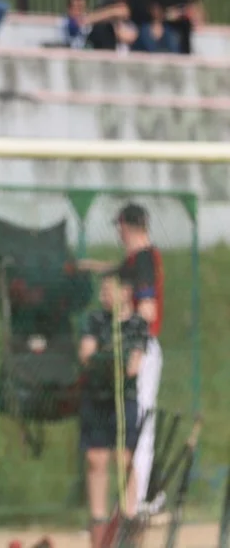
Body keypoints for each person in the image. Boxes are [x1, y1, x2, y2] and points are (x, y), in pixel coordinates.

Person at [79, 203, 164, 515]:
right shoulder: (137, 259)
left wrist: (131, 336)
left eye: (120, 226)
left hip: (140, 349)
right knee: (133, 424)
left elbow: (147, 307)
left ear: (128, 226)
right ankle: (133, 498)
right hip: (134, 346)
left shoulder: (142, 259)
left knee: (138, 423)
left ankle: (138, 498)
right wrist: (94, 267)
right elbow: (119, 272)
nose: (118, 231)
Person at [78, 275, 149, 548]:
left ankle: (128, 520)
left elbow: (132, 366)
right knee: (96, 459)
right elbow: (87, 355)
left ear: (126, 292)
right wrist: (106, 361)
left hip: (123, 399)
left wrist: (112, 361)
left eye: (109, 290)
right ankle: (99, 527)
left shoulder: (137, 325)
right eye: (102, 291)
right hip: (96, 398)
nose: (102, 296)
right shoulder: (94, 320)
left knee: (124, 459)